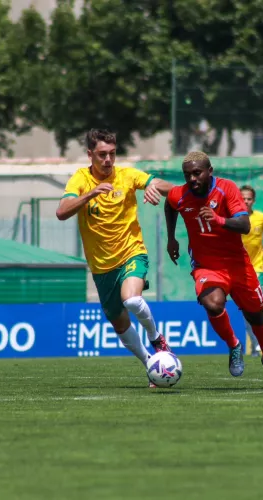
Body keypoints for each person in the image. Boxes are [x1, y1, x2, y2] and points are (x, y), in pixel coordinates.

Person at [56, 128, 174, 387]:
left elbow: (165, 185)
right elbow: (62, 211)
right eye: (102, 155)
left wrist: (155, 186)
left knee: (131, 299)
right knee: (120, 325)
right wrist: (90, 194)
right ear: (90, 155)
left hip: (131, 252)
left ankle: (157, 338)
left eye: (112, 153)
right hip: (101, 268)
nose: (108, 160)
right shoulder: (80, 179)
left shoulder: (128, 175)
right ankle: (151, 366)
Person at [164, 152, 263, 389]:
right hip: (206, 265)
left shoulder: (227, 188)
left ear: (210, 171)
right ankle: (234, 345)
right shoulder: (181, 193)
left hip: (237, 264)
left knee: (255, 316)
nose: (192, 178)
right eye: (187, 175)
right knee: (213, 302)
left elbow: (244, 225)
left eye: (197, 173)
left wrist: (218, 220)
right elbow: (170, 204)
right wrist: (171, 238)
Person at [240, 185, 263, 357]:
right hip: (239, 269)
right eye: (243, 198)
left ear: (253, 200)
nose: (246, 201)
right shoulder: (234, 218)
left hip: (257, 268)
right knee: (247, 310)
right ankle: (254, 343)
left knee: (255, 306)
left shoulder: (262, 218)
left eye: (249, 199)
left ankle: (260, 342)